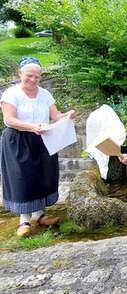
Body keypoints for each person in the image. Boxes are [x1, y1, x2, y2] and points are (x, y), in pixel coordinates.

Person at [1, 57, 76, 237]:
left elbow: (55, 116)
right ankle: (24, 221)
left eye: (37, 76)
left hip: (42, 139)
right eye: (29, 75)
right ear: (20, 74)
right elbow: (9, 120)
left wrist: (68, 115)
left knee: (43, 176)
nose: (33, 79)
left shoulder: (45, 94)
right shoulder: (11, 94)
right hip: (18, 140)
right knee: (24, 178)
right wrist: (32, 127)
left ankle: (39, 215)